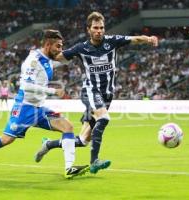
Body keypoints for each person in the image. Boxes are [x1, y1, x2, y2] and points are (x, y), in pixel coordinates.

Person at [34, 11, 158, 174]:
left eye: (101, 27)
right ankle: (94, 161)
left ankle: (49, 144)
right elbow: (58, 57)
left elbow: (133, 39)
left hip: (107, 95)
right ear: (88, 29)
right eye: (95, 28)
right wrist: (37, 58)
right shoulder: (81, 48)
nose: (99, 30)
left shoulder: (112, 42)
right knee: (104, 118)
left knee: (83, 140)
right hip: (91, 91)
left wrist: (148, 39)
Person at [0, 29, 89, 179]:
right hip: (25, 107)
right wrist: (52, 91)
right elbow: (25, 86)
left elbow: (65, 58)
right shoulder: (33, 61)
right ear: (48, 45)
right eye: (58, 46)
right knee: (6, 139)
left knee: (68, 127)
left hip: (39, 109)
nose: (60, 50)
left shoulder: (48, 59)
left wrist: (82, 51)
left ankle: (69, 168)